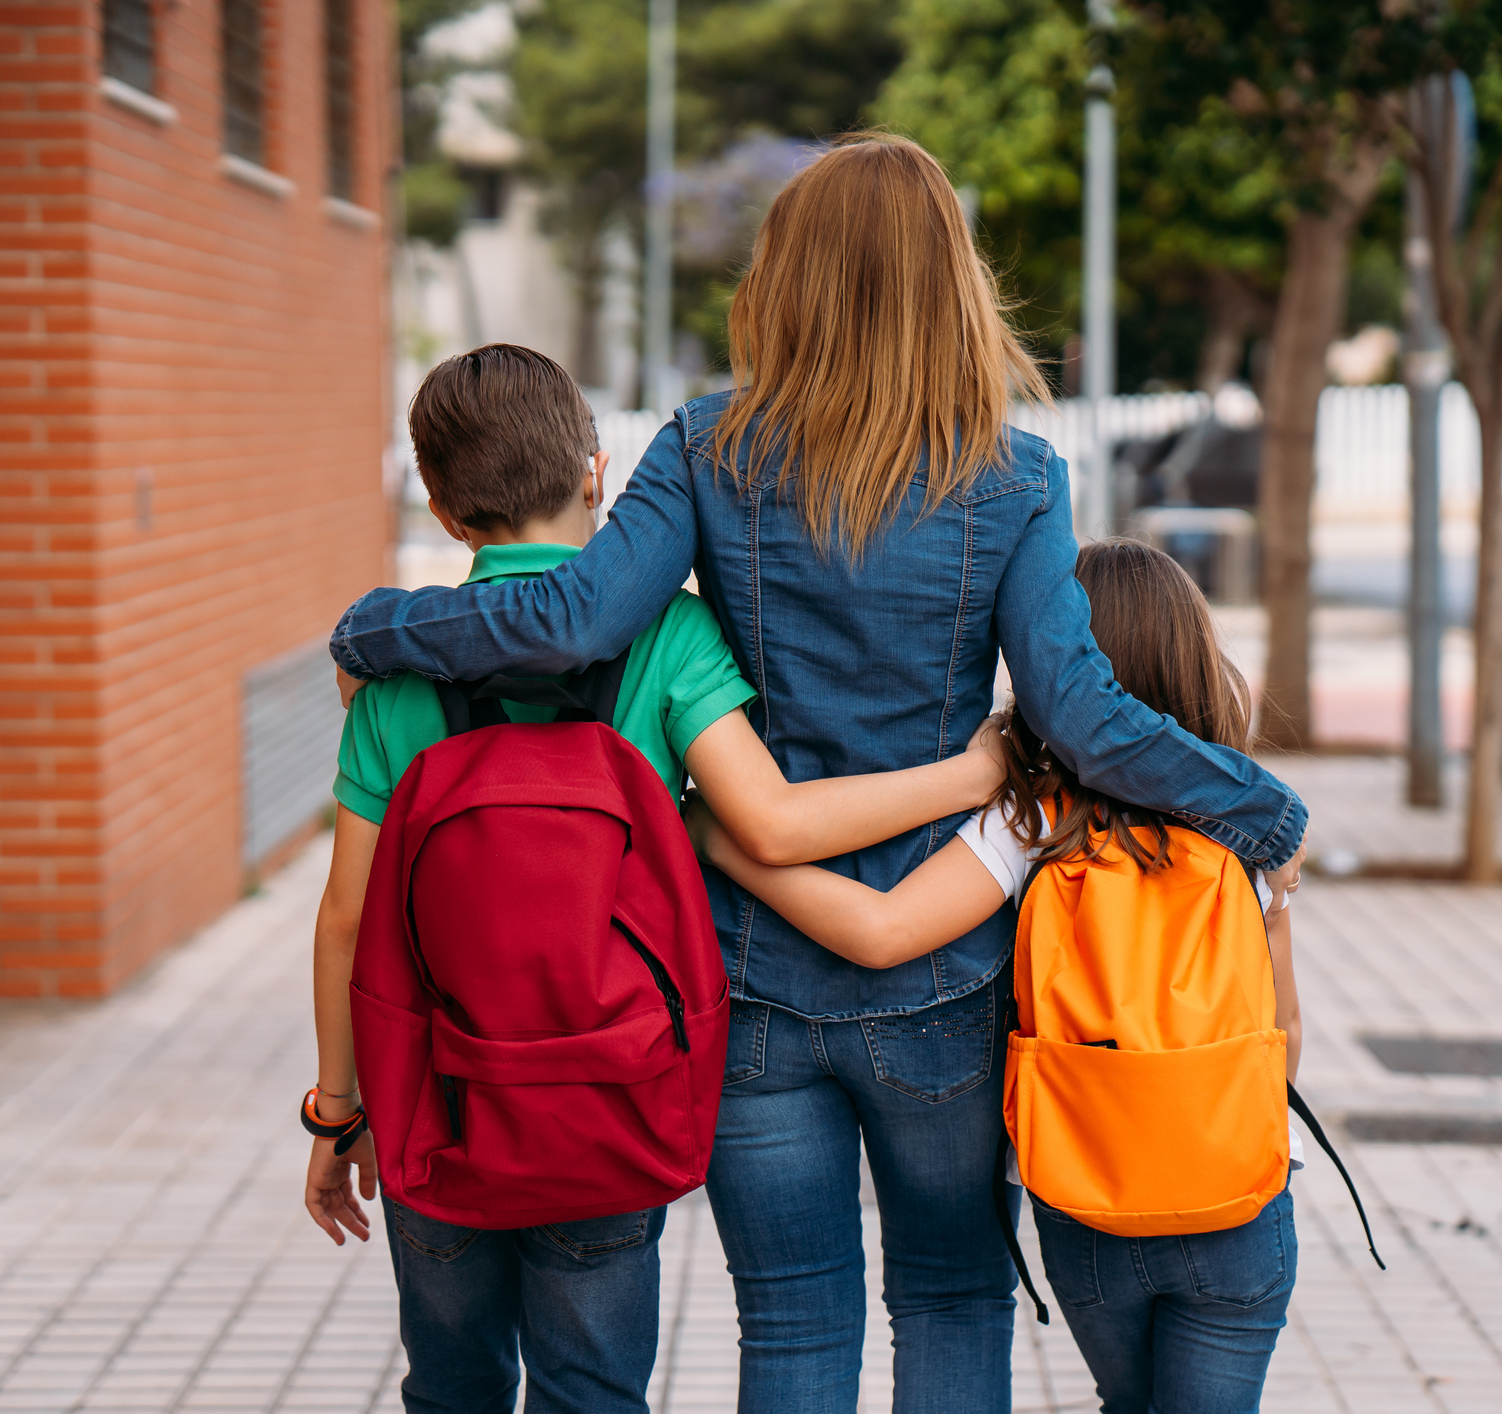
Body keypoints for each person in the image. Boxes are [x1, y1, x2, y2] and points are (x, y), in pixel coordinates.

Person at [327, 135, 1307, 1414]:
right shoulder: (1013, 478)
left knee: (791, 1321)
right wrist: (1260, 809)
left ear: (783, 282)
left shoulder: (701, 447)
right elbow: (1075, 708)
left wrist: (374, 629)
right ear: (953, 284)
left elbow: (572, 618)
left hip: (751, 975)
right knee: (952, 1301)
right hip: (946, 980)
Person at [301, 344, 1007, 1414]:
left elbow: (348, 921)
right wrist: (975, 774)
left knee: (451, 1386)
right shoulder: (667, 637)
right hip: (606, 1091)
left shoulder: (400, 676)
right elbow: (775, 819)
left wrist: (337, 1111)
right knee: (593, 1392)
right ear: (597, 473)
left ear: (442, 510)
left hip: (435, 1099)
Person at [688, 540, 1303, 1412]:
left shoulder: (1035, 817)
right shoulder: (1247, 834)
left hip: (1089, 1201)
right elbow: (1282, 1049)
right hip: (1235, 1195)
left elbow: (884, 928)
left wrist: (722, 839)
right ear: (1200, 667)